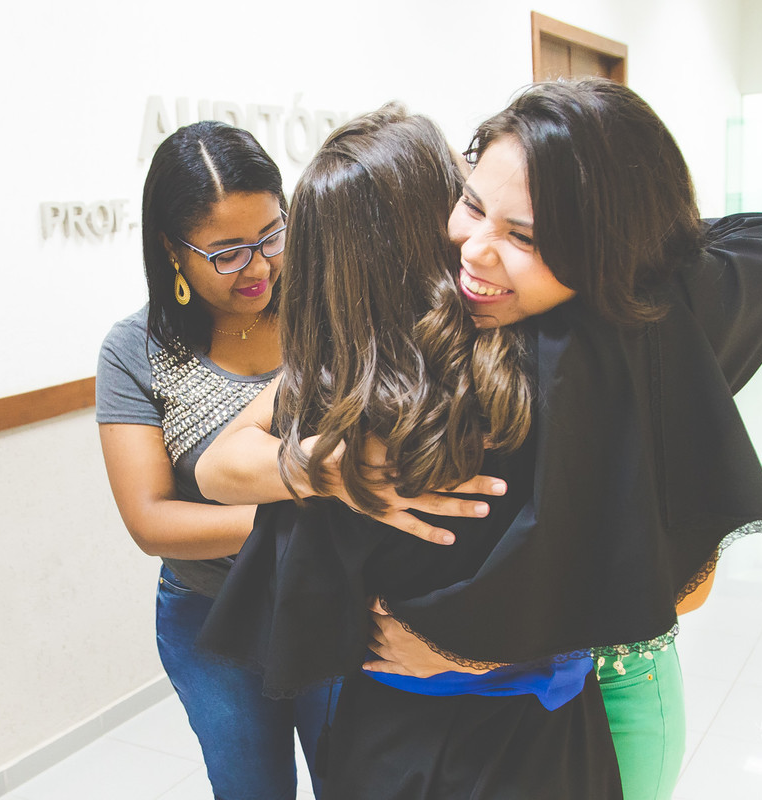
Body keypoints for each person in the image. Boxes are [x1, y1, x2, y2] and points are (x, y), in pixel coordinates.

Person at [200, 82, 762, 800]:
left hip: (589, 688)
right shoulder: (382, 378)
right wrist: (333, 469)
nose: (477, 251)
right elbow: (220, 464)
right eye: (470, 204)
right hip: (497, 728)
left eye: (525, 234)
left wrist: (483, 644)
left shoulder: (604, 347)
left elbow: (683, 586)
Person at [196, 104, 623, 799]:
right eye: (466, 195)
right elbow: (631, 565)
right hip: (527, 737)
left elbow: (217, 468)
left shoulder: (334, 393)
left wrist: (323, 467)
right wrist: (333, 472)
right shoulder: (538, 370)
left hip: (387, 733)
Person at [94, 120, 339, 799]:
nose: (259, 267)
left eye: (271, 236)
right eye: (228, 252)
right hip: (211, 617)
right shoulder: (133, 352)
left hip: (332, 600)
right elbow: (151, 523)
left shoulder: (326, 314)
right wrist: (307, 512)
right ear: (174, 250)